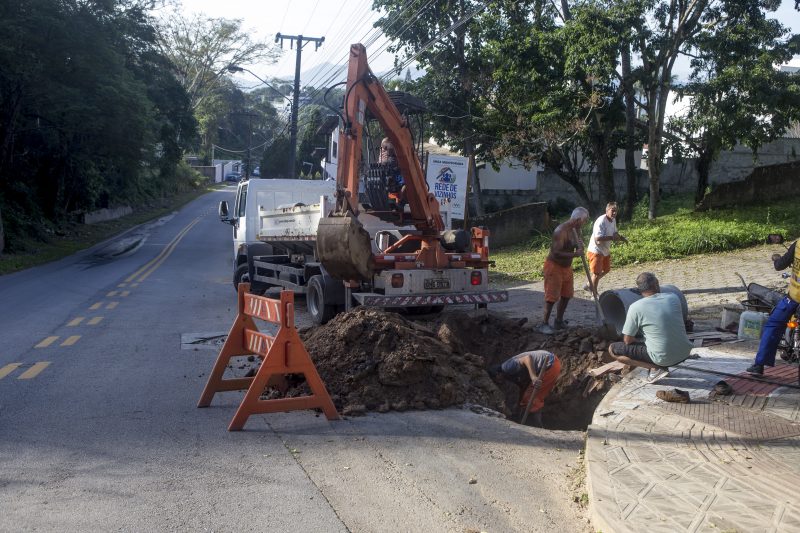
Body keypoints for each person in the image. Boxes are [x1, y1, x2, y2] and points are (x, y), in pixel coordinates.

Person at [607, 272, 693, 383]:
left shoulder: (635, 307)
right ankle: (658, 364)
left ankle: (656, 368)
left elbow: (627, 341)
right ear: (657, 284)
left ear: (639, 290)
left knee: (613, 349)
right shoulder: (673, 297)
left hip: (663, 359)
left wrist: (642, 340)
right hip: (685, 352)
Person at [747, 240, 799, 375]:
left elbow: (779, 265)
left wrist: (776, 260)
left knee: (773, 326)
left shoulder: (798, 244)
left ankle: (759, 365)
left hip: (793, 298)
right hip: (793, 299)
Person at [541, 207, 590, 334]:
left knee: (567, 295)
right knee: (551, 297)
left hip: (567, 267)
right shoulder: (560, 231)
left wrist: (579, 245)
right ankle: (544, 324)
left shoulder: (577, 229)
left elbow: (574, 245)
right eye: (584, 220)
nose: (585, 223)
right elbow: (556, 253)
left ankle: (558, 321)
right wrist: (575, 254)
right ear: (578, 219)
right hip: (554, 266)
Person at [489, 350, 562, 427]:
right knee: (528, 397)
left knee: (532, 398)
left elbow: (527, 358)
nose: (497, 382)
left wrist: (533, 377)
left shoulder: (506, 367)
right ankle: (529, 422)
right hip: (552, 363)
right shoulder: (509, 375)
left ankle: (536, 425)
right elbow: (523, 387)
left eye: (495, 379)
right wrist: (519, 406)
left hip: (550, 364)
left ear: (497, 375)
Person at [585, 202, 627, 295]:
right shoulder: (601, 221)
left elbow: (615, 233)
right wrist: (612, 238)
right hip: (596, 250)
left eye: (616, 211)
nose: (614, 213)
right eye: (612, 211)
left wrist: (622, 238)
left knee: (606, 270)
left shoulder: (613, 220)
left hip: (605, 250)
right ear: (607, 210)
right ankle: (594, 293)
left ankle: (589, 284)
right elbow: (598, 238)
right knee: (597, 273)